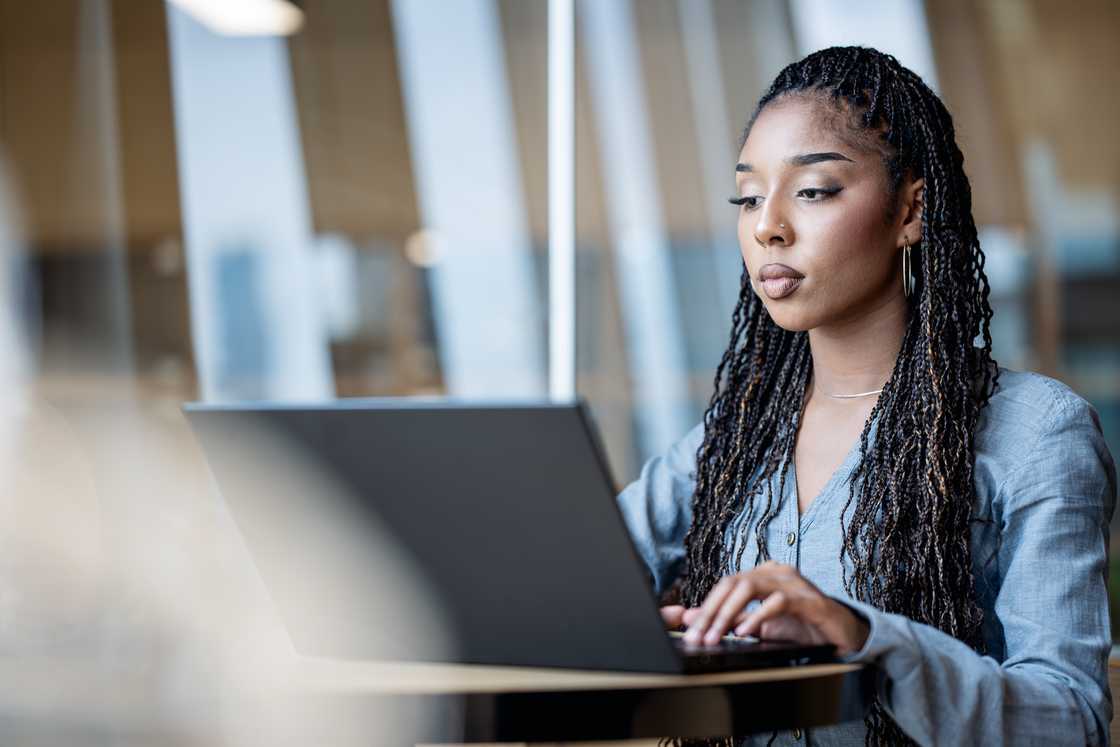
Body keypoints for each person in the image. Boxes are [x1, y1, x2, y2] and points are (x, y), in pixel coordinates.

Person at [616, 46, 1116, 746]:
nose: (767, 226)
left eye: (813, 190)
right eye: (749, 196)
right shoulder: (731, 440)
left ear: (912, 209)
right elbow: (579, 575)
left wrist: (862, 634)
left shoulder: (1036, 432)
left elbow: (1071, 721)